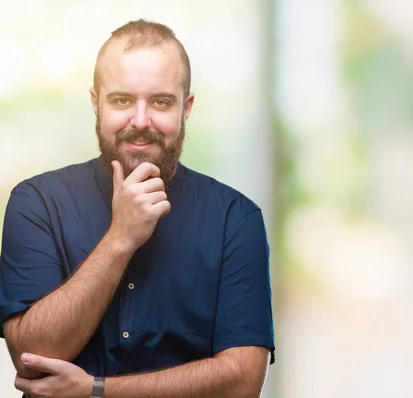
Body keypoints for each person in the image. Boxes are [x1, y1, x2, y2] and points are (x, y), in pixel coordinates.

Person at [0, 19, 275, 398]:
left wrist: (96, 390)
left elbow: (243, 379)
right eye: (122, 100)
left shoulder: (235, 218)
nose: (141, 121)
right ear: (96, 102)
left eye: (161, 102)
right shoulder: (37, 203)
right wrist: (120, 238)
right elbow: (34, 354)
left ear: (186, 107)